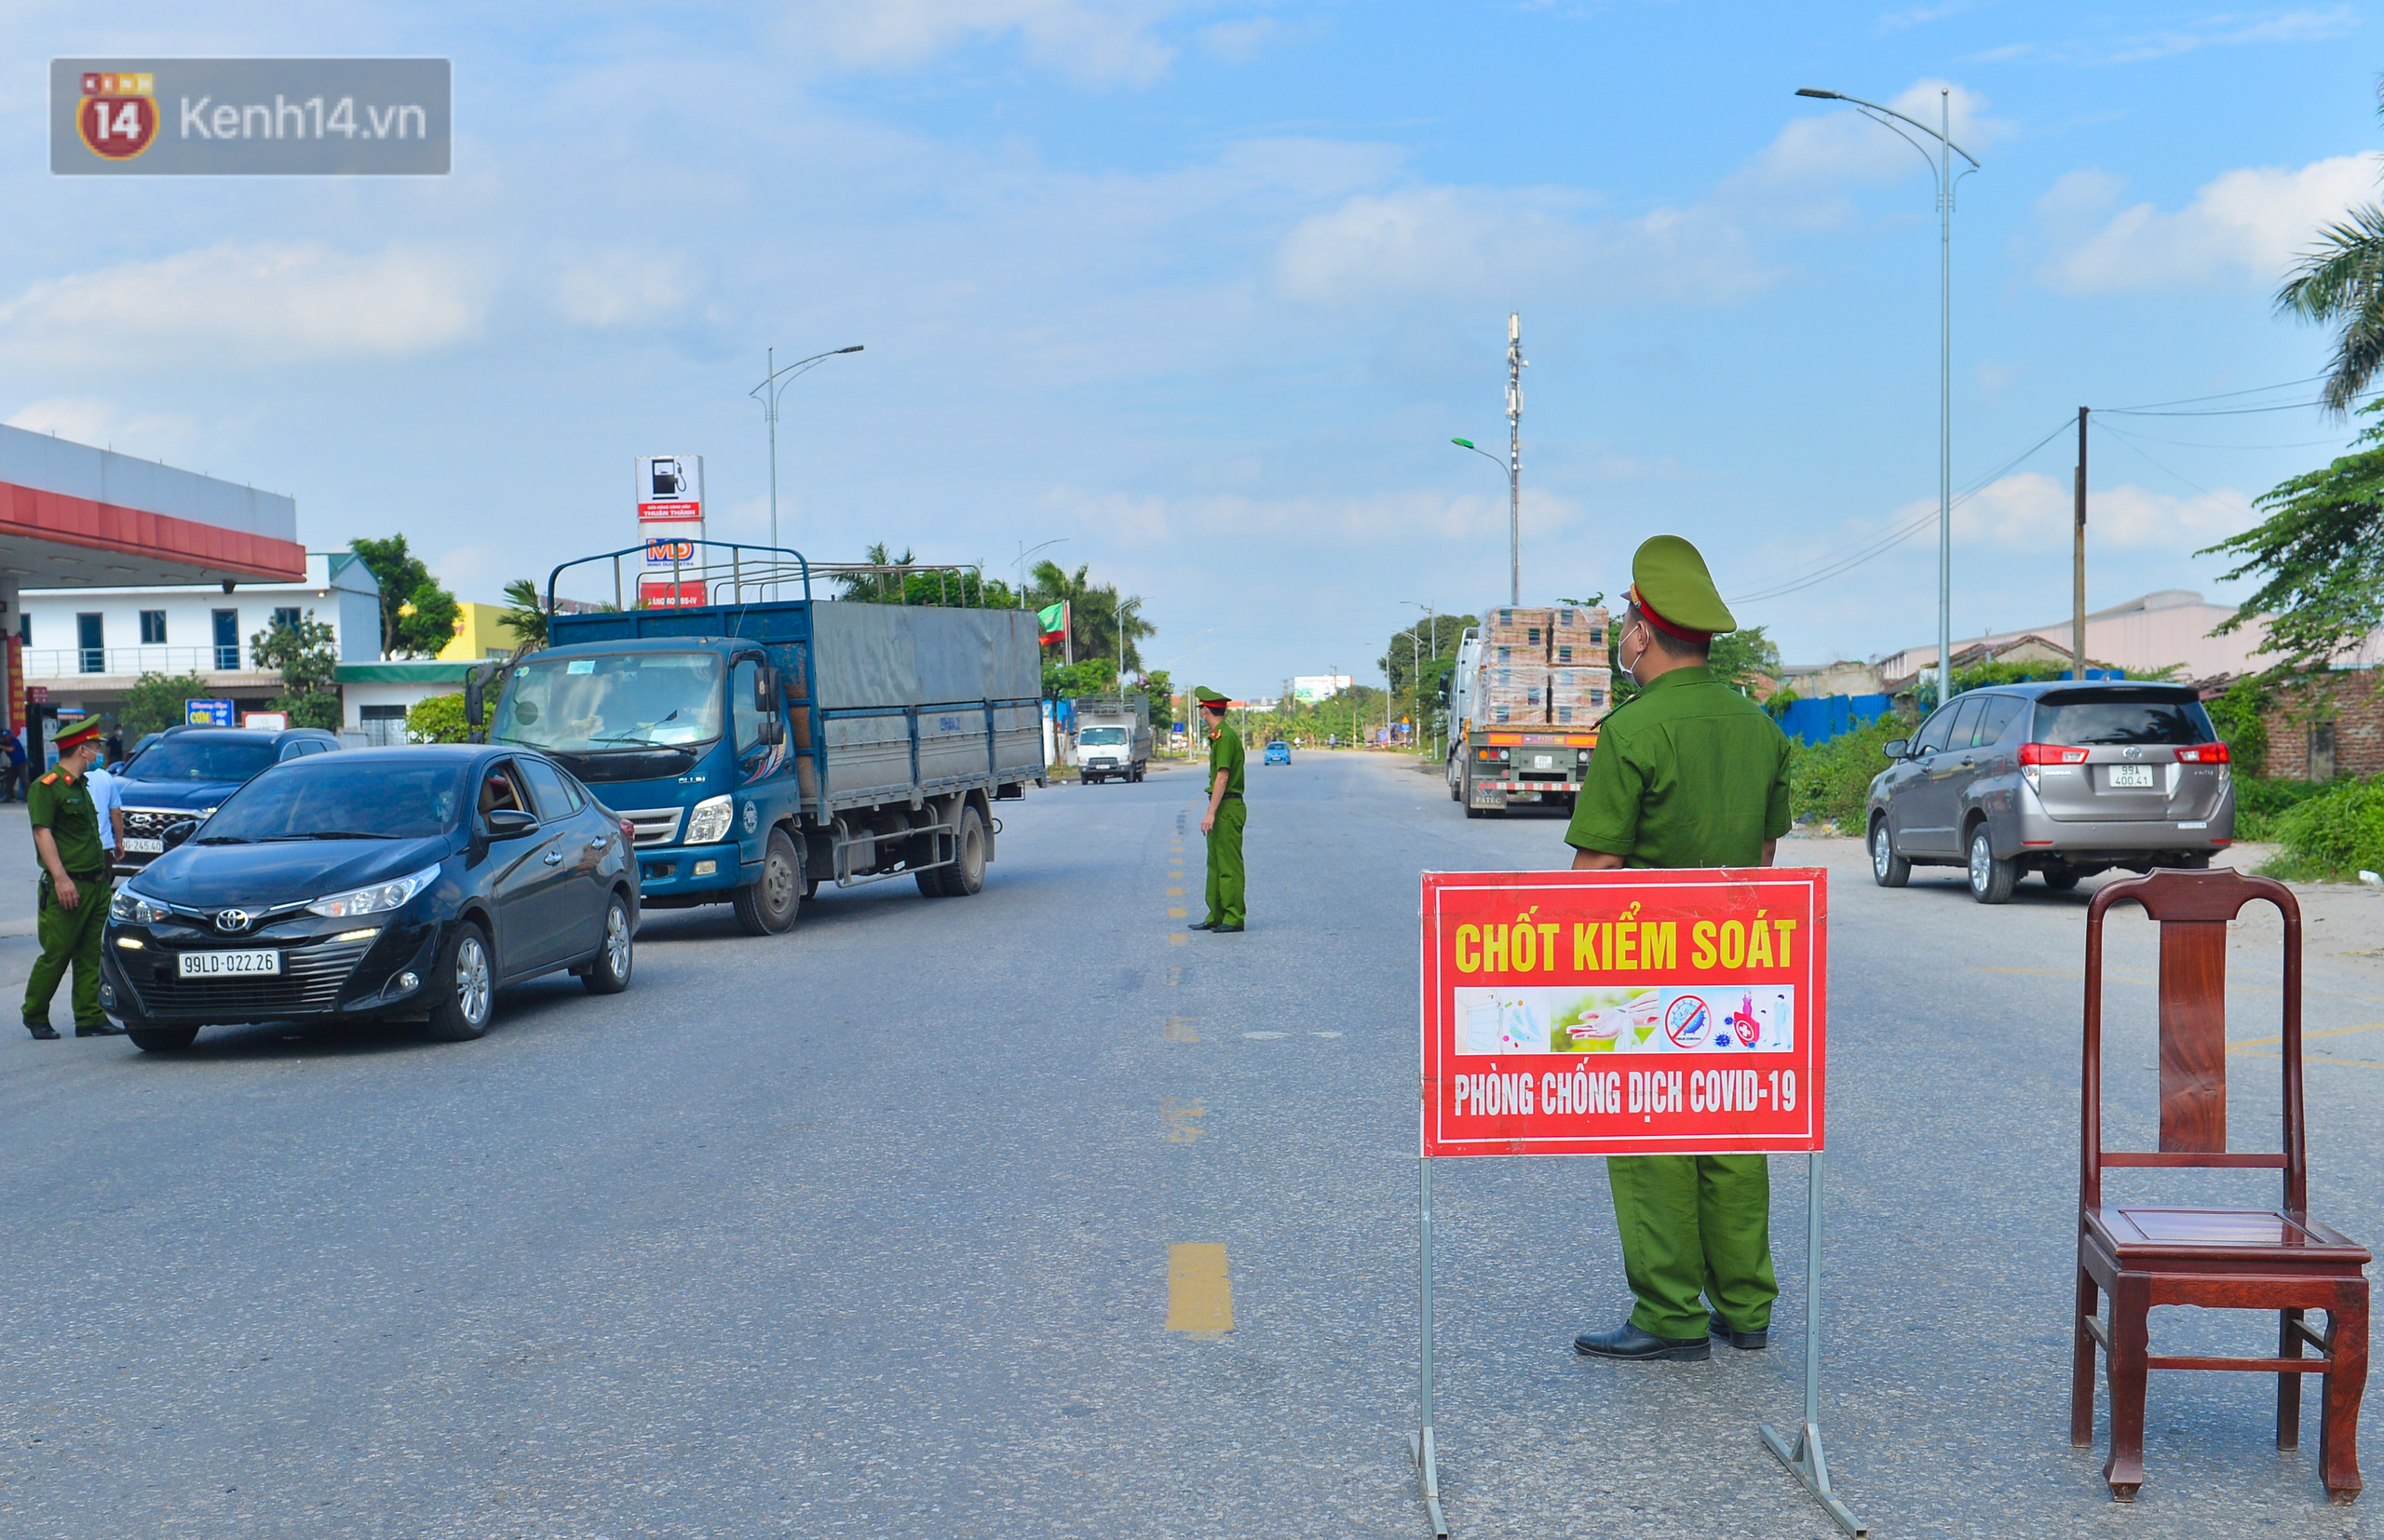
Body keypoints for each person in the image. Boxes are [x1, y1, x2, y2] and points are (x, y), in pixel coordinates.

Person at [1566, 534, 1794, 1365]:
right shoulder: (1758, 730)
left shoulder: (1632, 732)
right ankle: (1746, 1306)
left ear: (1642, 630)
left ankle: (1669, 1313)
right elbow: (1763, 866)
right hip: (1738, 964)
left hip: (1644, 971)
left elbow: (1594, 874)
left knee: (1652, 1132)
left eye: (1627, 620)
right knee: (1733, 1126)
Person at [23, 718, 124, 1040]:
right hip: (69, 884)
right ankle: (35, 1014)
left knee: (91, 953)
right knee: (57, 953)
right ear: (82, 749)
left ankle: (89, 1016)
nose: (98, 750)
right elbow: (43, 833)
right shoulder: (47, 787)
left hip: (96, 883)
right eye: (95, 746)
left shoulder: (82, 785)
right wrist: (61, 879)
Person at [1185, 686, 1246, 935]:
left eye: (1201, 708)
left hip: (1227, 806)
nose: (1201, 712)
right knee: (1215, 864)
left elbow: (1222, 777)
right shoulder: (1219, 736)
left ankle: (1233, 917)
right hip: (1222, 805)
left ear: (1206, 710)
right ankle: (1216, 914)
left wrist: (1210, 812)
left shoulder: (1225, 736)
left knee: (1229, 866)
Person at [0, 726, 22, 802]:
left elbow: (11, 749)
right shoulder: (4, 743)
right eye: (3, 737)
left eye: (5, 737)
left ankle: (28, 798)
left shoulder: (14, 741)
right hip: (14, 764)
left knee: (25, 780)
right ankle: (11, 798)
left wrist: (1, 746)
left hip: (22, 763)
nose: (5, 738)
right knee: (10, 781)